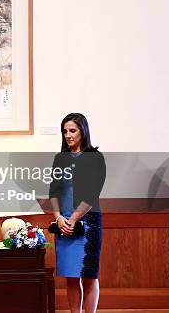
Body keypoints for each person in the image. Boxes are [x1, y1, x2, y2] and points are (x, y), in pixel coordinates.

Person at [49, 113, 106, 313]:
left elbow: (91, 194)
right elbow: (53, 192)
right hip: (63, 223)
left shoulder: (95, 158)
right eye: (65, 131)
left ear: (83, 131)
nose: (68, 135)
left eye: (72, 130)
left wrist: (73, 219)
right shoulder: (60, 158)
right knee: (71, 276)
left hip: (88, 223)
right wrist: (58, 218)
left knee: (89, 276)